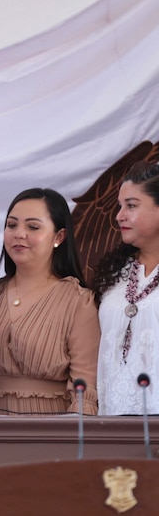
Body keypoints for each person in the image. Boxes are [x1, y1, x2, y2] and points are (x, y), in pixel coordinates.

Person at [0, 188, 100, 416]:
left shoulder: (77, 301)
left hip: (51, 432)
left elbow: (85, 388)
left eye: (32, 227)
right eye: (11, 225)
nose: (19, 234)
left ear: (58, 237)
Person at [93, 161, 159, 415]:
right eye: (120, 206)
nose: (120, 215)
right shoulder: (115, 275)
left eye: (131, 206)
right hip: (114, 420)